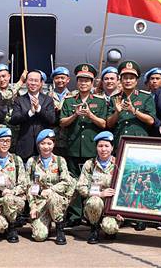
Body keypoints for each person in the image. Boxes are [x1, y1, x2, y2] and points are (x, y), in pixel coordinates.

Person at [59, 63, 108, 226]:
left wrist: (90, 115)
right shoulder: (69, 100)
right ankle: (74, 216)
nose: (83, 83)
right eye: (80, 80)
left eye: (87, 80)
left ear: (92, 83)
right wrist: (75, 114)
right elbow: (62, 122)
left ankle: (91, 214)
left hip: (91, 148)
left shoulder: (100, 102)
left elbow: (103, 124)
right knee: (74, 183)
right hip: (73, 148)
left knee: (93, 182)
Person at [25, 129, 75, 245]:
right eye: (43, 143)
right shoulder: (32, 162)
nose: (46, 147)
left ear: (54, 144)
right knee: (39, 236)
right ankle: (46, 221)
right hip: (40, 202)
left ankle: (59, 227)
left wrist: (51, 190)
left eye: (49, 143)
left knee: (52, 196)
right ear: (38, 145)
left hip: (56, 200)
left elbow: (66, 181)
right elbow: (29, 186)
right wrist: (32, 206)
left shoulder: (59, 161)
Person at [0, 128, 27, 243]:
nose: (5, 144)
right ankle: (1, 222)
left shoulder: (17, 160)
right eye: (2, 141)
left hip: (14, 200)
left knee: (8, 199)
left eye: (8, 141)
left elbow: (24, 184)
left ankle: (12, 227)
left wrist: (12, 191)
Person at [77, 131, 121, 244]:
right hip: (95, 202)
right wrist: (100, 194)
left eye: (107, 146)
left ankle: (108, 226)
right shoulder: (90, 164)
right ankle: (94, 228)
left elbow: (126, 188)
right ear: (96, 147)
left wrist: (121, 208)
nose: (103, 149)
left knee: (110, 229)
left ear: (112, 148)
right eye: (100, 146)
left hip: (112, 205)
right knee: (94, 202)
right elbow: (81, 187)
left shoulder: (119, 164)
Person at [106, 61, 155, 148]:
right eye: (125, 78)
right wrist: (117, 112)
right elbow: (109, 124)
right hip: (120, 141)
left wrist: (134, 111)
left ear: (136, 81)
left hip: (139, 141)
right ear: (120, 80)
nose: (128, 81)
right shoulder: (114, 98)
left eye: (131, 78)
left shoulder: (145, 96)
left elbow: (151, 120)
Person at [10, 70, 55, 160]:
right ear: (26, 82)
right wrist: (30, 112)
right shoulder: (19, 100)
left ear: (41, 83)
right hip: (25, 145)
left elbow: (52, 120)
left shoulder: (48, 100)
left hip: (44, 146)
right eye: (30, 80)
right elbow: (14, 120)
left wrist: (39, 109)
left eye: (36, 80)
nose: (33, 83)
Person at [0, 64, 26, 149]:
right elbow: (6, 96)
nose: (2, 79)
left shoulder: (15, 90)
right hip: (1, 128)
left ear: (9, 76)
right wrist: (21, 81)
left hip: (15, 128)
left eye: (4, 76)